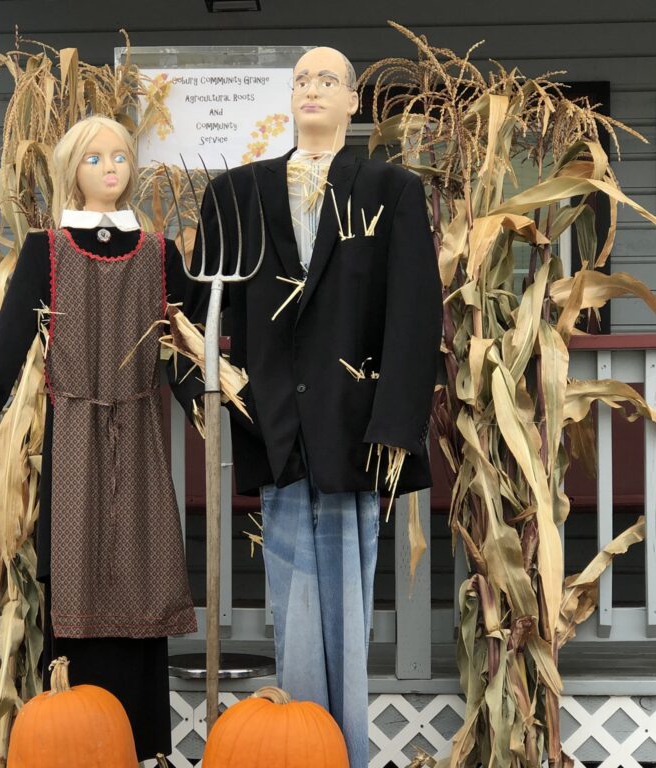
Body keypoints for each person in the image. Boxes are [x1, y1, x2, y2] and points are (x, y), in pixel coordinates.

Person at [170, 47, 442, 767]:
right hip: (276, 424)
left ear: (355, 103)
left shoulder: (391, 190)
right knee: (291, 597)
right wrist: (217, 386)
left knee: (349, 606)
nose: (312, 88)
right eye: (300, 79)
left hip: (358, 431)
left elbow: (415, 312)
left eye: (328, 79)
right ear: (287, 99)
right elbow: (201, 314)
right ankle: (300, 753)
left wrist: (395, 425)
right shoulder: (237, 195)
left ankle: (340, 753)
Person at [0, 115, 197, 761]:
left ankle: (142, 742)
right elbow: (13, 336)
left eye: (121, 156)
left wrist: (218, 407)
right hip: (71, 429)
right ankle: (77, 743)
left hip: (140, 434)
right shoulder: (48, 250)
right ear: (72, 168)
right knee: (71, 576)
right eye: (95, 157)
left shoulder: (161, 255)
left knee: (144, 572)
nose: (110, 166)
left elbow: (183, 354)